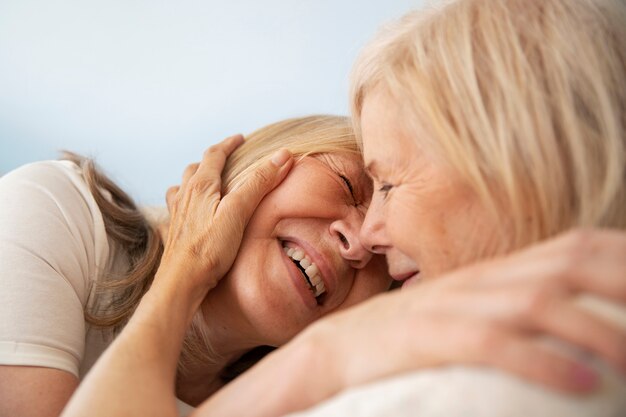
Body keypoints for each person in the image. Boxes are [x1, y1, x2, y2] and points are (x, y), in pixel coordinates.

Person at [58, 0, 626, 416]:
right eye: (360, 183)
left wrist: (324, 355)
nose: (367, 238)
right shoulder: (64, 216)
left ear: (515, 164)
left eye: (390, 183)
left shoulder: (481, 378)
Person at [0, 115, 393, 417]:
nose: (357, 243)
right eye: (346, 185)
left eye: (383, 250)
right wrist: (188, 272)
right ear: (259, 160)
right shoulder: (54, 208)